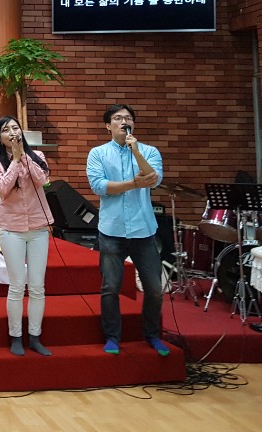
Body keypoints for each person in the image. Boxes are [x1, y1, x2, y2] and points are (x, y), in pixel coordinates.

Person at [87, 103, 169, 356]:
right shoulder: (98, 153)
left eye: (128, 118)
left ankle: (152, 335)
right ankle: (112, 337)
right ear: (108, 126)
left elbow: (153, 180)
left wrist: (136, 152)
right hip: (112, 230)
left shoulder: (149, 151)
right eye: (117, 118)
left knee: (154, 289)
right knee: (110, 287)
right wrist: (133, 184)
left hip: (143, 229)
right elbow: (99, 186)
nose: (124, 121)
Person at [0, 116, 53, 357]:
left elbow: (42, 180)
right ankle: (15, 336)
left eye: (15, 128)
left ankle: (35, 336)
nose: (12, 132)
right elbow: (3, 189)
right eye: (6, 130)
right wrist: (14, 161)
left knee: (37, 286)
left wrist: (24, 156)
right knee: (16, 286)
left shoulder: (37, 156)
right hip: (12, 229)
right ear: (0, 138)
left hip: (38, 228)